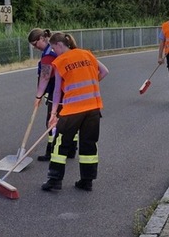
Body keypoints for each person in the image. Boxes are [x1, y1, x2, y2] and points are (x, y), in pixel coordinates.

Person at [41, 32, 109, 192]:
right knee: (88, 144)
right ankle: (87, 181)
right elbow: (105, 71)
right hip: (93, 107)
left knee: (60, 144)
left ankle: (54, 180)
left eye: (53, 48)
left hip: (73, 108)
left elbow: (57, 91)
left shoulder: (60, 61)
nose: (54, 51)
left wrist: (53, 114)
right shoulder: (87, 54)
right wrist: (90, 83)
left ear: (58, 45)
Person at [28, 27, 76, 161]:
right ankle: (71, 149)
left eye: (35, 44)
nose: (35, 47)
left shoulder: (49, 54)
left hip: (58, 92)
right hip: (66, 91)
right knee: (68, 121)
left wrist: (38, 96)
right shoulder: (55, 50)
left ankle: (52, 151)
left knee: (51, 121)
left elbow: (45, 77)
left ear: (42, 39)